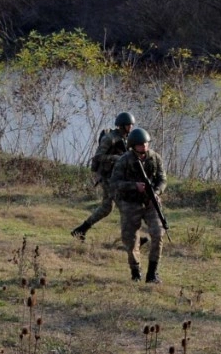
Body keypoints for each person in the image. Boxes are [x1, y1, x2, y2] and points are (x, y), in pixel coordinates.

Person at [107, 127, 167, 283]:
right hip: (130, 203)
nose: (145, 147)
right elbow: (114, 184)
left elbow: (162, 180)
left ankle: (152, 274)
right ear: (133, 145)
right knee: (130, 239)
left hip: (150, 202)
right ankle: (135, 271)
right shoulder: (124, 161)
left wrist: (156, 192)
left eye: (146, 143)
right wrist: (134, 186)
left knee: (158, 233)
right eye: (141, 144)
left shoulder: (155, 158)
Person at [71, 111, 136, 240]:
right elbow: (99, 156)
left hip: (117, 176)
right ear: (122, 125)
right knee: (124, 207)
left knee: (106, 208)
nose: (131, 128)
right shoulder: (110, 138)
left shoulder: (127, 138)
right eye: (129, 125)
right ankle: (133, 239)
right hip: (107, 177)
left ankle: (81, 230)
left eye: (132, 125)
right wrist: (116, 158)